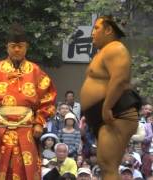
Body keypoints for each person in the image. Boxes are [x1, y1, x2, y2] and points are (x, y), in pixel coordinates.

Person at [0, 23, 57, 180]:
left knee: (25, 170)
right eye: (13, 46)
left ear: (26, 47)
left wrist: (39, 122)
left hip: (26, 129)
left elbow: (48, 98)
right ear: (7, 47)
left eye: (20, 46)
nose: (17, 50)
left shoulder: (35, 71)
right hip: (1, 129)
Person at [80, 15, 141, 180]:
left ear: (108, 30)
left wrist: (107, 107)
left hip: (116, 111)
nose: (92, 33)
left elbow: (120, 80)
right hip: (108, 114)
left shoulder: (116, 48)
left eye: (96, 28)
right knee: (106, 165)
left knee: (108, 166)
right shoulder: (105, 51)